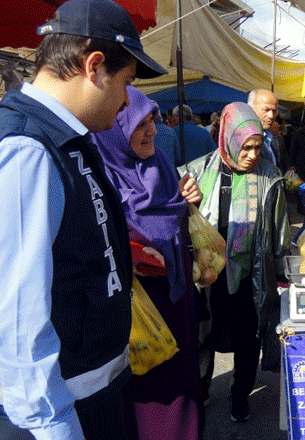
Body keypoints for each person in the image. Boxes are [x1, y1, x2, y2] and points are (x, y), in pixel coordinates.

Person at [0, 0, 167, 438]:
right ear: (94, 67)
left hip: (85, 390)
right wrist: (53, 425)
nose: (127, 100)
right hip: (55, 409)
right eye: (126, 82)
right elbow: (14, 319)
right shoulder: (24, 150)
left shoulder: (62, 138)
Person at [92, 86, 202, 440]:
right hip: (137, 308)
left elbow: (173, 221)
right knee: (145, 392)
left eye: (153, 119)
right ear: (116, 129)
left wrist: (188, 202)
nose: (152, 130)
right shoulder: (98, 179)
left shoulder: (162, 165)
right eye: (141, 123)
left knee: (183, 381)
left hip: (175, 300)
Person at [177, 102, 291, 423]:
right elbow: (170, 213)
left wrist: (283, 277)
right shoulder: (196, 172)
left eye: (257, 146)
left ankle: (240, 397)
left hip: (249, 277)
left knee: (247, 341)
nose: (253, 154)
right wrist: (183, 201)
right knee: (202, 340)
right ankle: (200, 393)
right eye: (246, 147)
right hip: (207, 276)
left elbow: (280, 232)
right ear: (228, 138)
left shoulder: (270, 179)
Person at [247, 89, 281, 168]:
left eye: (274, 111)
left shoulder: (269, 137)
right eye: (266, 110)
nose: (271, 116)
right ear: (251, 108)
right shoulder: (243, 137)